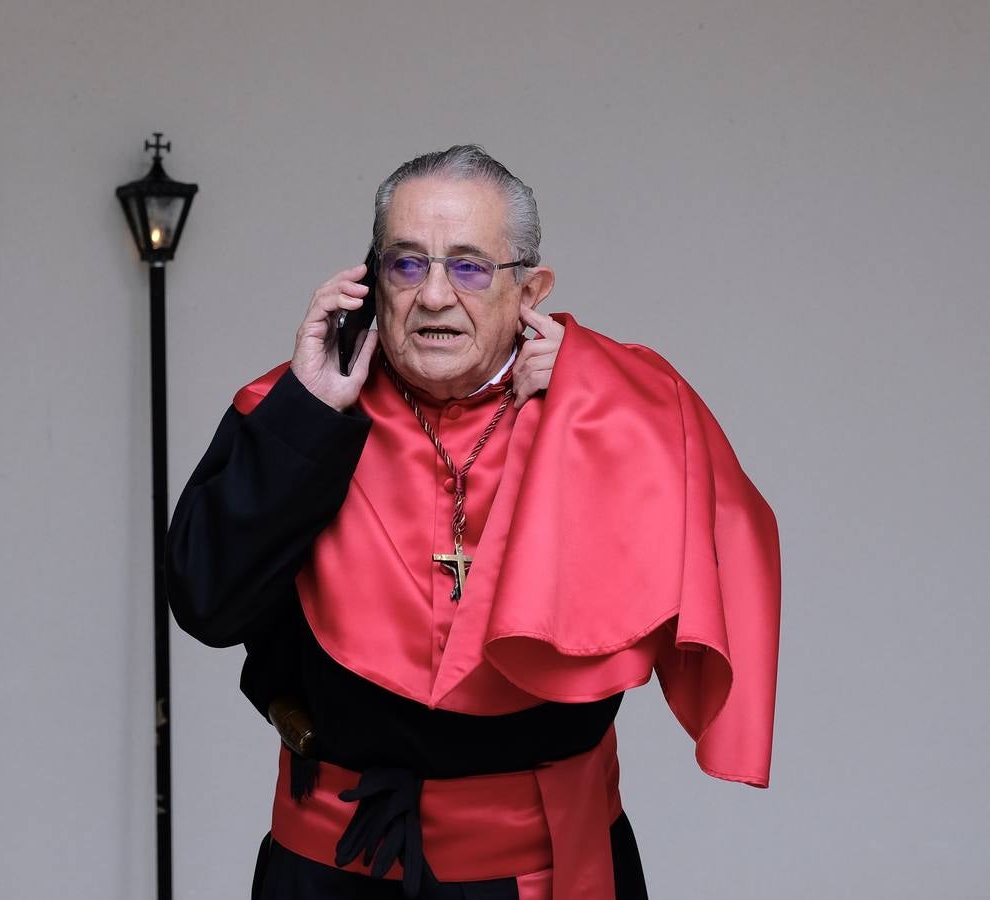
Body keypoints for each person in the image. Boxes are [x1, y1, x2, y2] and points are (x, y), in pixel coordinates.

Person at [165, 145, 780, 900]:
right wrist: (308, 415)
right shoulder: (295, 405)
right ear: (370, 282)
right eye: (406, 264)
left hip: (540, 873)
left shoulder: (610, 410)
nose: (432, 296)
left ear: (531, 288)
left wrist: (610, 401)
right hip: (330, 868)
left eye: (468, 266)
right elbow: (204, 603)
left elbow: (732, 548)